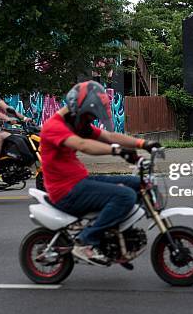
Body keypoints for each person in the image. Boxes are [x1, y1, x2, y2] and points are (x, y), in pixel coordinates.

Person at [40, 80, 160, 266]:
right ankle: (86, 240)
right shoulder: (54, 127)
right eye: (89, 115)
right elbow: (83, 145)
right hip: (66, 191)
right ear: (77, 108)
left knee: (136, 183)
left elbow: (109, 136)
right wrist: (117, 151)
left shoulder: (77, 123)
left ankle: (117, 238)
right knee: (125, 196)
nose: (91, 119)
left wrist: (142, 145)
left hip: (80, 181)